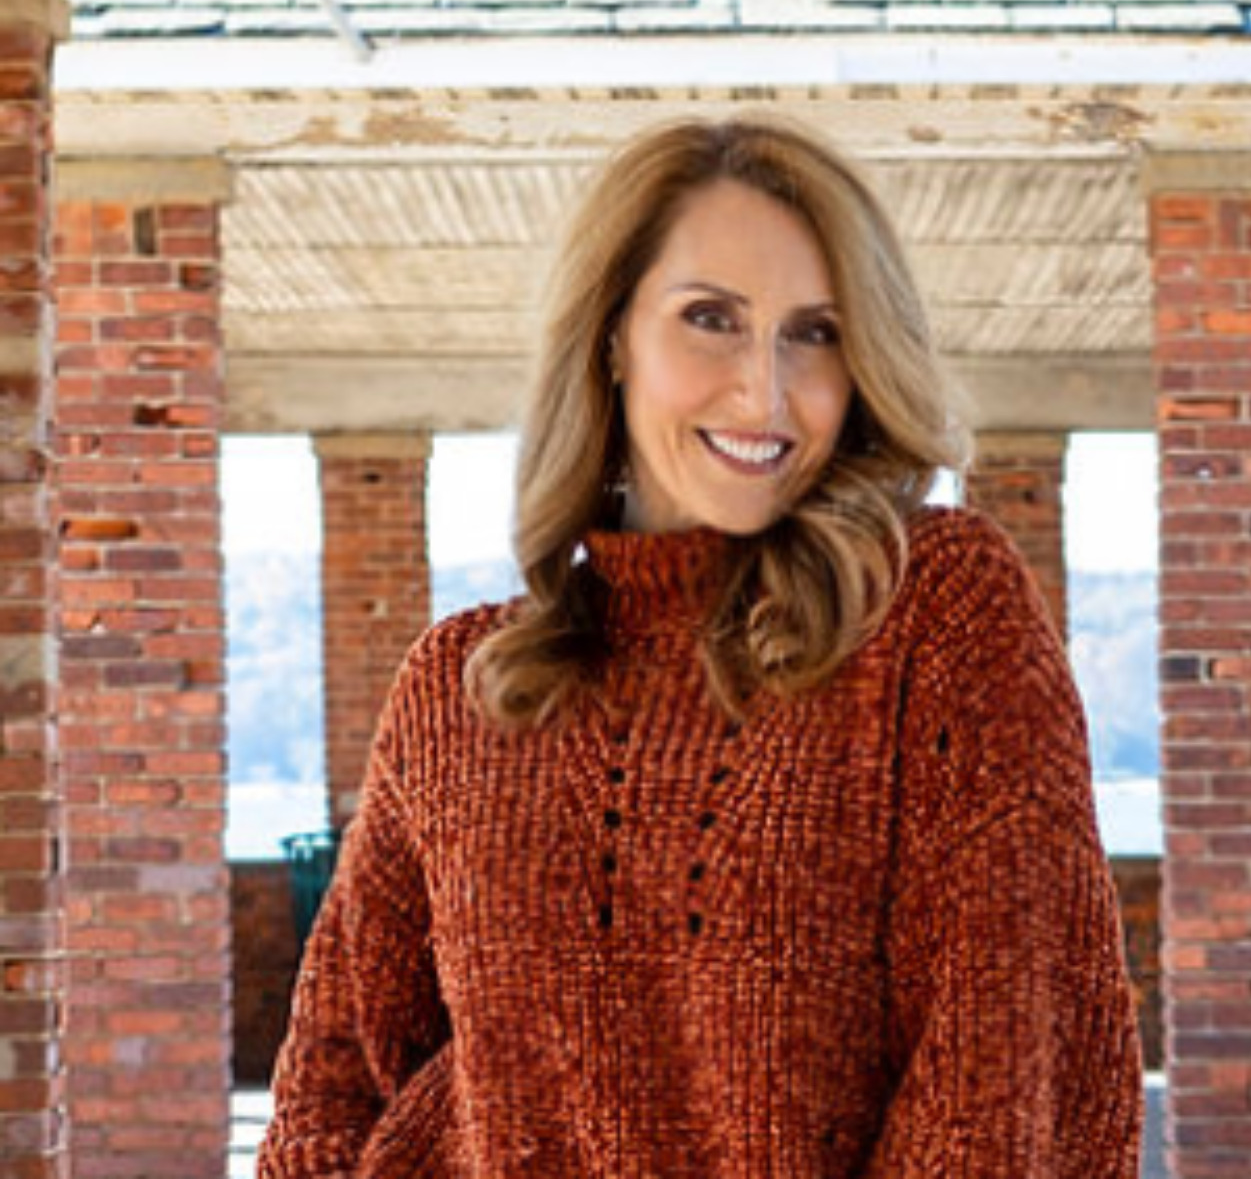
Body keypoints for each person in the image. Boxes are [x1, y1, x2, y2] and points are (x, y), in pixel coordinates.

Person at [258, 116, 1143, 1177]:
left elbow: (1000, 1091)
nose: (764, 391)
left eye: (815, 332)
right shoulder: (460, 687)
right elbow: (327, 1094)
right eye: (711, 318)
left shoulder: (931, 614)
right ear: (611, 338)